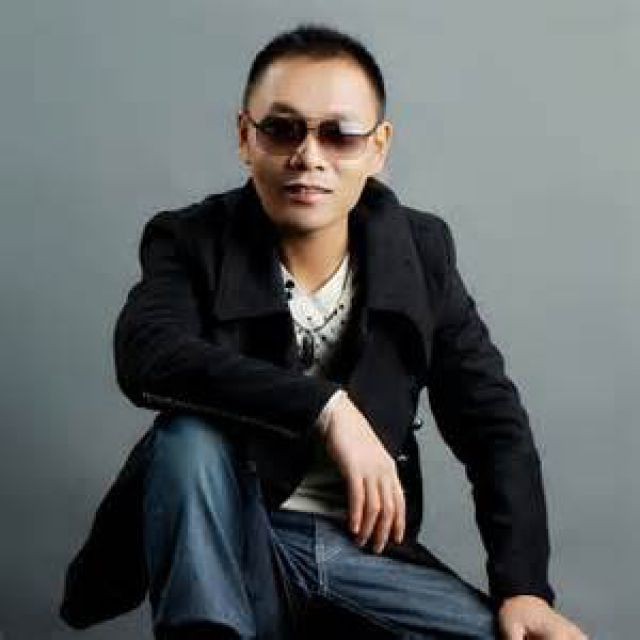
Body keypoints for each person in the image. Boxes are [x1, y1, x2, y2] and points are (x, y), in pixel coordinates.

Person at [60, 24, 589, 640]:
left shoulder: (420, 252)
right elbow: (148, 354)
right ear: (245, 137)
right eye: (282, 129)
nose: (308, 156)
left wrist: (524, 587)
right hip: (239, 532)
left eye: (339, 134)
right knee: (189, 435)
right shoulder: (192, 239)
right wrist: (326, 410)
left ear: (378, 148)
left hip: (361, 553)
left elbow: (492, 425)